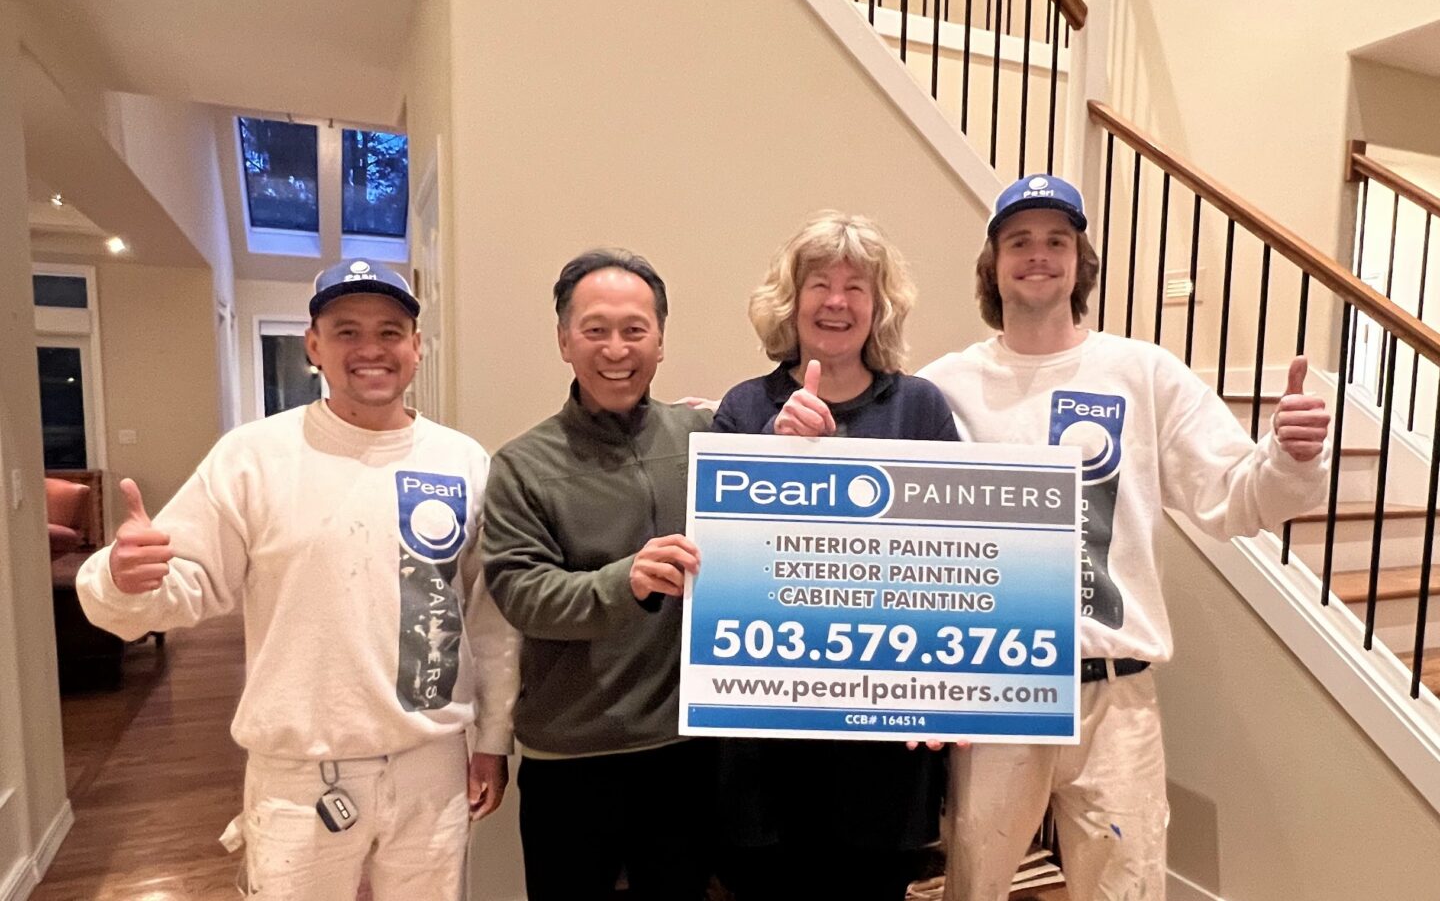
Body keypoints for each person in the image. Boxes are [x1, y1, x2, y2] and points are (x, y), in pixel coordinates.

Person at [916, 174, 1332, 901]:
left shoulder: (1143, 373)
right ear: (993, 264)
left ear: (1080, 263)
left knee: (1126, 887)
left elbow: (1233, 499)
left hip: (1117, 695)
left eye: (1056, 241)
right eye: (1019, 242)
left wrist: (1289, 459)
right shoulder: (946, 386)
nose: (1038, 255)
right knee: (974, 883)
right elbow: (884, 505)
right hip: (999, 690)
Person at [75, 259, 518, 901]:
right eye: (346, 331)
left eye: (391, 331)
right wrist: (121, 578)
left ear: (417, 348)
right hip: (300, 775)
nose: (371, 349)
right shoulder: (254, 457)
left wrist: (493, 739)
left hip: (432, 764)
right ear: (313, 346)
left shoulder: (462, 461)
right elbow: (182, 584)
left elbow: (487, 616)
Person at [710, 211, 960, 901]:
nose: (837, 301)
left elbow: (951, 567)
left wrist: (951, 691)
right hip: (766, 749)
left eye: (857, 286)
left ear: (880, 307)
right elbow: (726, 572)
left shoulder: (921, 410)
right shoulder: (744, 409)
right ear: (791, 302)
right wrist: (773, 452)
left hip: (884, 750)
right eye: (819, 283)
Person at [480, 249, 714, 901]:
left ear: (661, 341)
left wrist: (796, 431)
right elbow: (524, 596)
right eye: (596, 329)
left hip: (683, 753)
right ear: (564, 340)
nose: (617, 348)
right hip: (572, 760)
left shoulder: (707, 437)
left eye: (635, 329)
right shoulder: (521, 466)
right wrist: (625, 582)